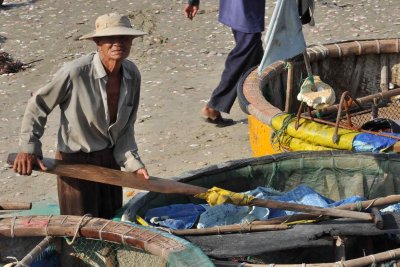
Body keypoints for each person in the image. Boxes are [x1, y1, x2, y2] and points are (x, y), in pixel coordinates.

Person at [12, 13, 149, 219]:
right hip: (75, 162)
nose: (118, 43)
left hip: (109, 161)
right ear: (98, 42)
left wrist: (133, 164)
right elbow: (38, 104)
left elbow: (126, 128)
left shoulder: (132, 74)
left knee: (111, 222)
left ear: (131, 41)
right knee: (79, 227)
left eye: (124, 38)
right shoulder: (75, 72)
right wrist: (29, 148)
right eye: (110, 39)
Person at [185, 0, 265, 126]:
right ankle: (214, 106)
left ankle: (263, 105)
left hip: (237, 7)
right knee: (245, 52)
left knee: (255, 56)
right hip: (245, 9)